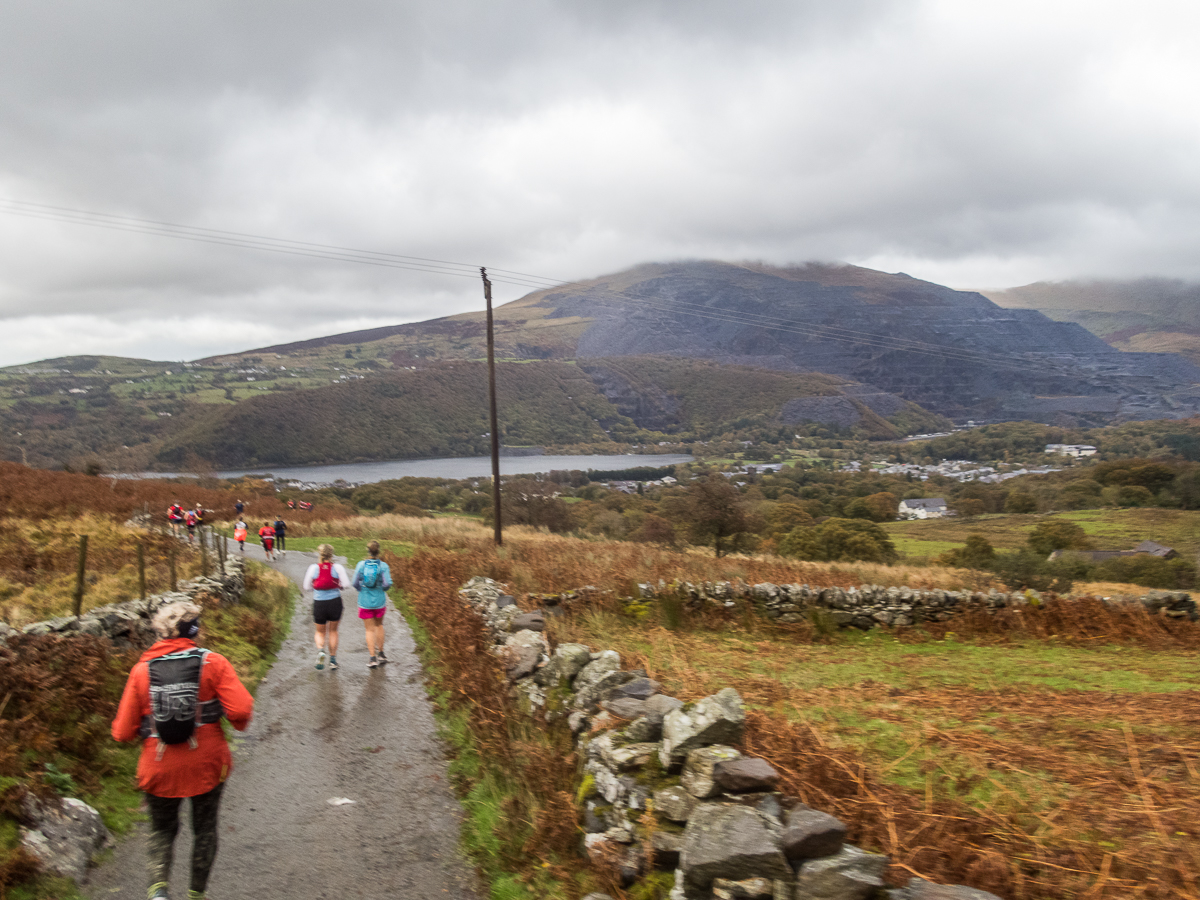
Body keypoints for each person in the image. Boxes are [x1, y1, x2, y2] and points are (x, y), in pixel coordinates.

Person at [111, 600, 254, 900]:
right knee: (204, 829)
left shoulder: (141, 671)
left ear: (161, 631)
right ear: (195, 631)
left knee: (162, 830)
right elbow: (241, 711)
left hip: (158, 766)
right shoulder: (214, 663)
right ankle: (196, 894)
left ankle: (159, 893)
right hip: (207, 763)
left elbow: (122, 732)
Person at [302, 544, 350, 671]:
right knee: (333, 631)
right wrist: (338, 586)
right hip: (335, 602)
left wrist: (316, 588)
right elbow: (346, 584)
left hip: (319, 603)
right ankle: (333, 660)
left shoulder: (313, 568)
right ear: (332, 554)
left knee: (320, 632)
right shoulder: (337, 567)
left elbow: (306, 587)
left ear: (319, 554)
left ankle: (320, 650)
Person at [353, 541, 393, 668]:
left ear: (368, 550)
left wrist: (361, 589)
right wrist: (382, 589)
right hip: (380, 601)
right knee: (379, 625)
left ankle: (372, 658)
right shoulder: (384, 566)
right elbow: (387, 584)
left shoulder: (361, 565)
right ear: (378, 551)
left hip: (364, 602)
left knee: (369, 630)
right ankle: (381, 654)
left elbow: (354, 582)